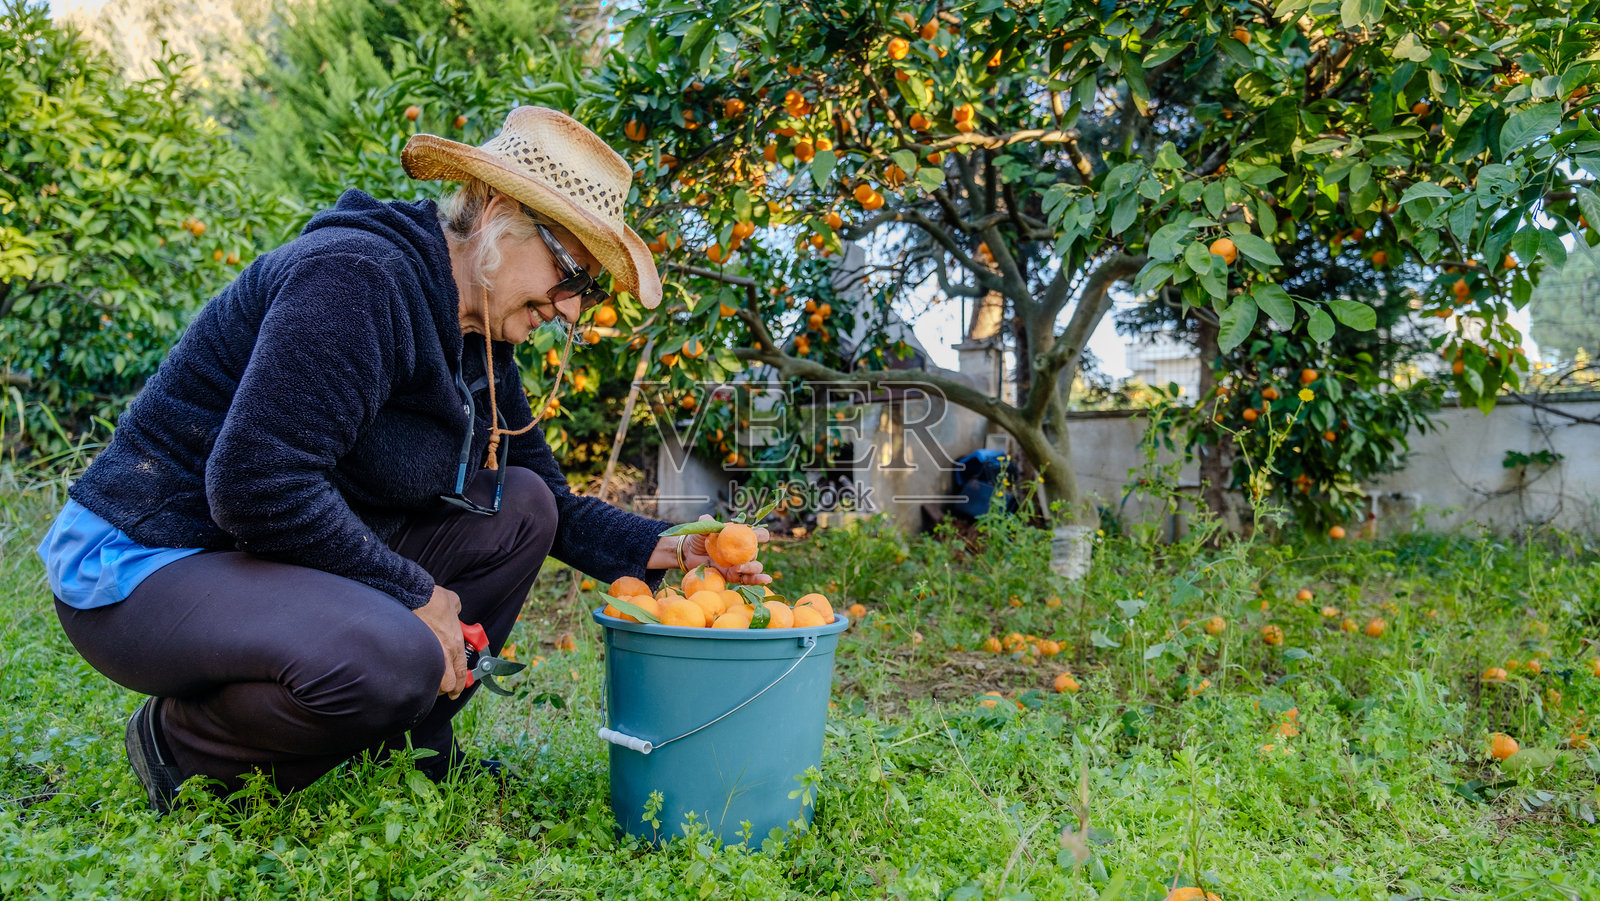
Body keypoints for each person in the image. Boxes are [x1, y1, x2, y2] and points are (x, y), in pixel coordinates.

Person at [36, 106, 769, 813]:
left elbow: (553, 504)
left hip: (255, 556)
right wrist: (414, 592)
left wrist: (676, 547)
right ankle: (183, 746)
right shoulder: (357, 279)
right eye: (570, 273)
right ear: (497, 215)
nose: (572, 309)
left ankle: (407, 748)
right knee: (398, 654)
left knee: (522, 507)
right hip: (149, 558)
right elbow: (256, 481)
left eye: (588, 288)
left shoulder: (481, 339)